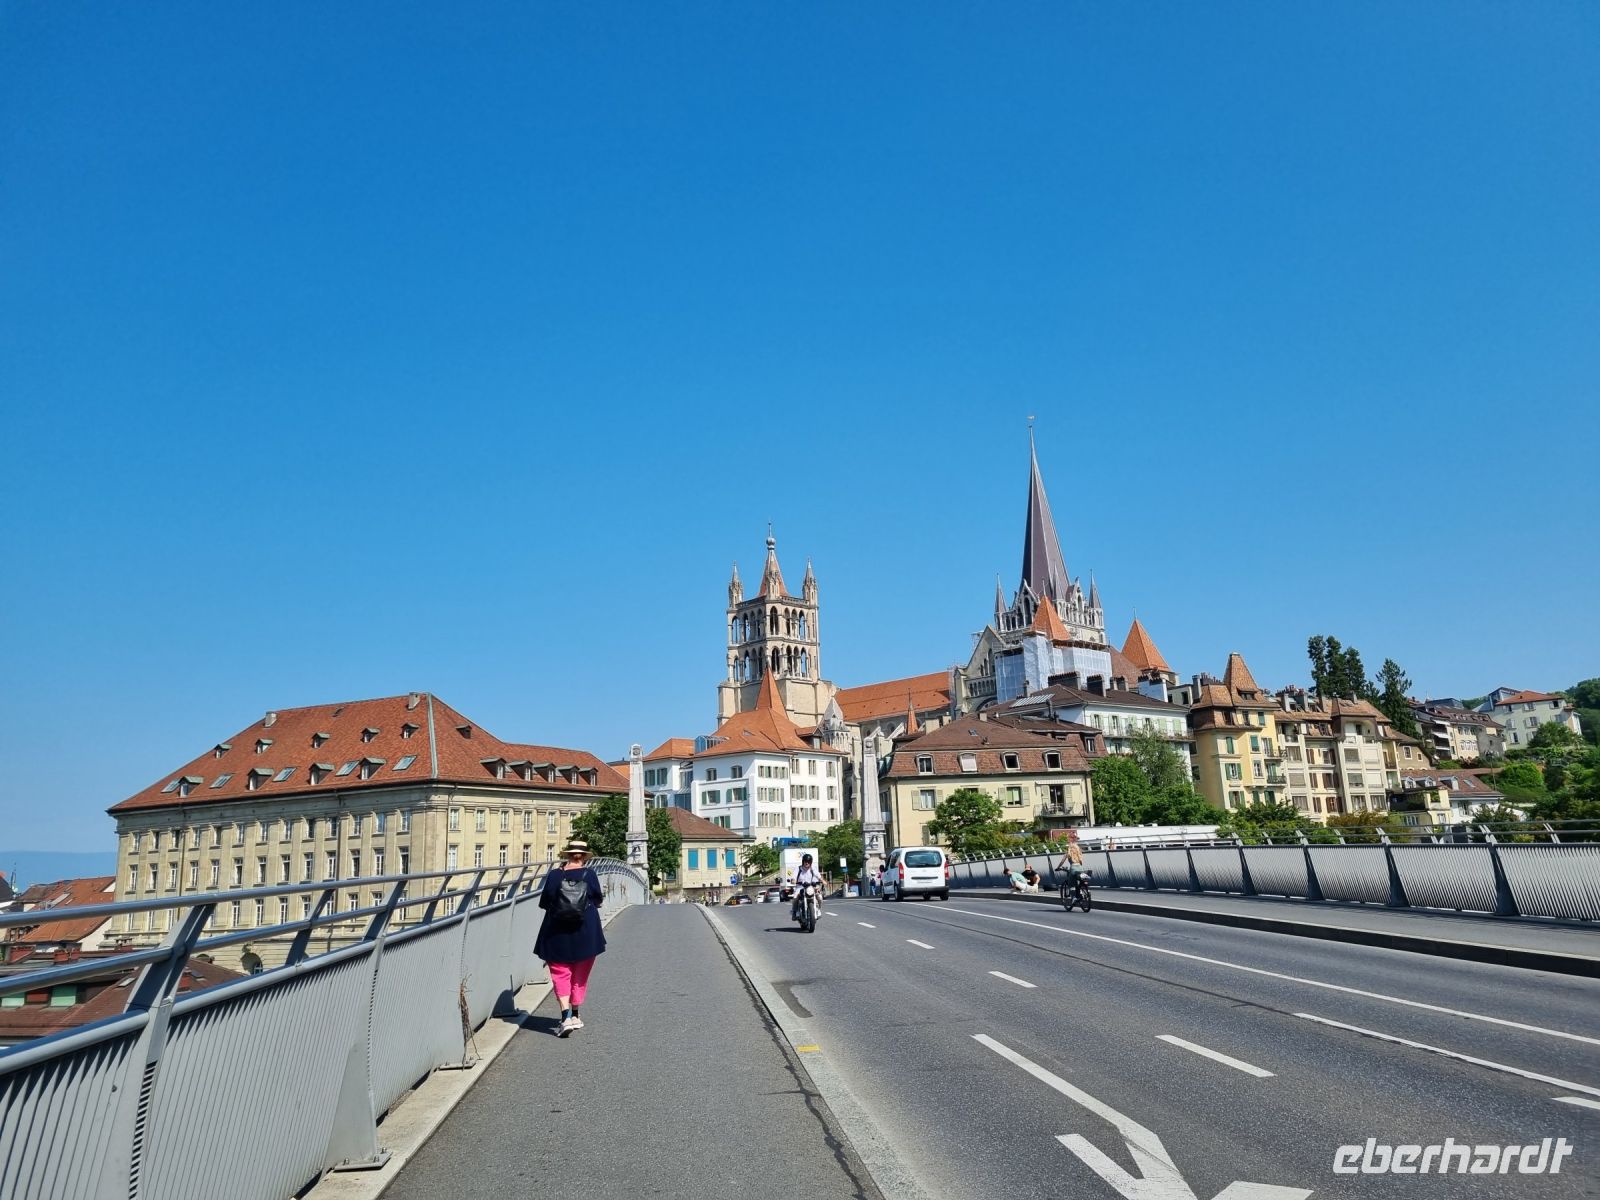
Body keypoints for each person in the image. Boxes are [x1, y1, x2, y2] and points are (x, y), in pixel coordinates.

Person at [534, 840, 606, 1037]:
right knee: (580, 973)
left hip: (557, 930)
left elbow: (544, 902)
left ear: (567, 856)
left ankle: (565, 1016)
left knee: (560, 972)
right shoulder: (589, 874)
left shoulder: (555, 875)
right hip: (586, 930)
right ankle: (575, 1014)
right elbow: (598, 898)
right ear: (583, 857)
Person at [791, 853, 823, 920]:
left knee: (819, 897)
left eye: (808, 862)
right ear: (803, 861)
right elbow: (793, 877)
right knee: (795, 897)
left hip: (810, 887)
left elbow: (818, 875)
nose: (807, 863)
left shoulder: (812, 869)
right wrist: (793, 880)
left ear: (811, 862)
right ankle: (795, 911)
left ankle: (819, 910)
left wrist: (823, 881)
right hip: (800, 887)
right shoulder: (798, 868)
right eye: (805, 861)